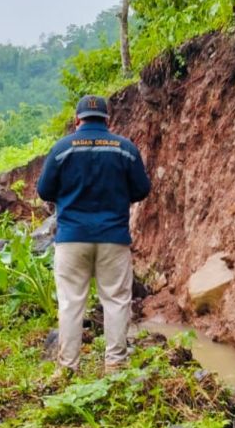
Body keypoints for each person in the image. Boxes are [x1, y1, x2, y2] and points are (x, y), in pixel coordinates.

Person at [36, 95, 151, 379]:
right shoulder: (125, 149)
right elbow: (141, 189)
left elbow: (44, 191)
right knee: (115, 300)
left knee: (72, 302)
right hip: (113, 237)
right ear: (107, 120)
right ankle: (115, 364)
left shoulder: (62, 149)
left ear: (77, 121)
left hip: (72, 238)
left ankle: (68, 368)